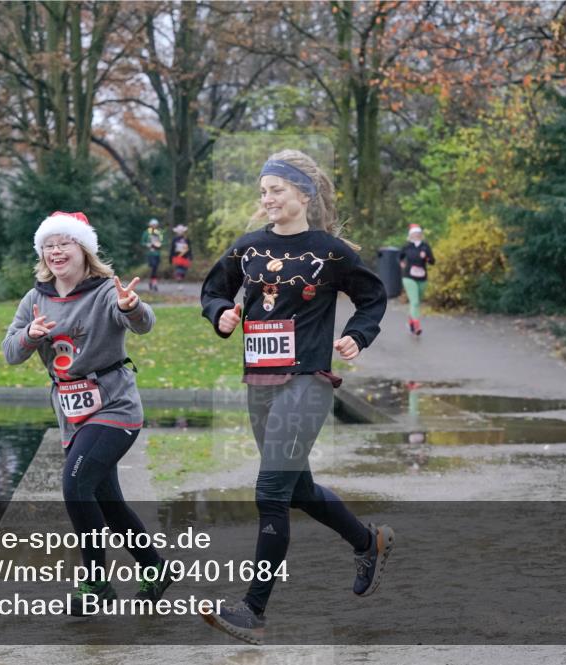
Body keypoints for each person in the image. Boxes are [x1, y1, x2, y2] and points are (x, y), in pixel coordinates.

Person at [200, 150, 394, 645]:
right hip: (260, 383)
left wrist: (358, 334)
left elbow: (372, 296)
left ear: (303, 195)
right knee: (297, 490)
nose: (267, 199)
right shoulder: (247, 249)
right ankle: (367, 541)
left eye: (276, 190)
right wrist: (221, 312)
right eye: (263, 191)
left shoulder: (330, 252)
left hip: (307, 381)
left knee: (270, 494)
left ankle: (252, 610)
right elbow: (213, 291)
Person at [2, 211, 172, 614]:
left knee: (75, 486)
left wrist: (132, 306)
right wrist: (29, 336)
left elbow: (143, 323)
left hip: (115, 407)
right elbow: (11, 352)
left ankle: (95, 584)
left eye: (65, 243)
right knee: (107, 501)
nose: (56, 251)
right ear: (42, 254)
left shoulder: (104, 292)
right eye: (49, 245)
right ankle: (153, 568)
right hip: (72, 414)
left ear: (84, 250)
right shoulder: (35, 299)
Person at [398, 224, 435, 335]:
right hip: (408, 277)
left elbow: (432, 262)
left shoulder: (425, 247)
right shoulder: (407, 246)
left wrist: (427, 257)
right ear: (410, 235)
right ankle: (417, 326)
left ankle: (411, 323)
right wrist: (401, 263)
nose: (416, 235)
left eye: (418, 234)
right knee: (414, 302)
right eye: (414, 234)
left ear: (421, 235)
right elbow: (399, 257)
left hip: (422, 278)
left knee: (416, 303)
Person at [141, 218, 163, 292]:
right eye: (153, 225)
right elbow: (142, 242)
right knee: (153, 267)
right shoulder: (146, 232)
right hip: (150, 253)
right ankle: (154, 283)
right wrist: (147, 244)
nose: (154, 226)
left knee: (155, 268)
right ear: (150, 225)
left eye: (155, 225)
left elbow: (162, 241)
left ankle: (152, 282)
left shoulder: (159, 232)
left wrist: (159, 245)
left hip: (157, 253)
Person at [170, 224, 193, 289]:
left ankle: (180, 279)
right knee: (179, 269)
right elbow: (172, 248)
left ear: (183, 232)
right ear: (177, 232)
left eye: (181, 231)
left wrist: (190, 256)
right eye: (179, 231)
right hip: (177, 256)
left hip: (185, 257)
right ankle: (179, 281)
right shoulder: (174, 239)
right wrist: (170, 257)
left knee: (184, 270)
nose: (180, 232)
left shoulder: (186, 239)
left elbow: (189, 248)